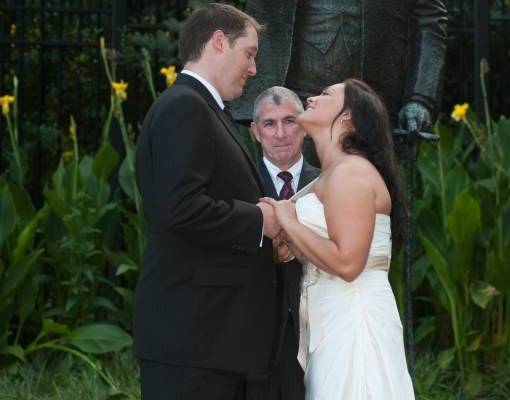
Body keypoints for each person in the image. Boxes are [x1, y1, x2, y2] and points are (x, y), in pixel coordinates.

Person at [133, 4, 280, 399]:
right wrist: (259, 221)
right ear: (219, 41)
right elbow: (180, 208)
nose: (253, 69)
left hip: (208, 340)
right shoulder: (185, 107)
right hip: (192, 339)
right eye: (249, 53)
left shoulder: (204, 109)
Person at [261, 79, 415, 399]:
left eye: (326, 94)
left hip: (354, 319)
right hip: (331, 319)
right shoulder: (334, 173)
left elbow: (347, 264)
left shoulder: (350, 173)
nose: (312, 98)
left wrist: (289, 222)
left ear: (347, 116)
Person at [231, 0, 447, 134]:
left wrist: (421, 99)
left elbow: (429, 19)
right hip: (295, 103)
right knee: (292, 199)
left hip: (374, 105)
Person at [247, 86, 319, 400]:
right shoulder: (240, 184)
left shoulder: (328, 182)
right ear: (254, 131)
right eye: (269, 124)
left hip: (318, 329)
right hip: (256, 335)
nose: (280, 134)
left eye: (290, 121)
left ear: (304, 124)